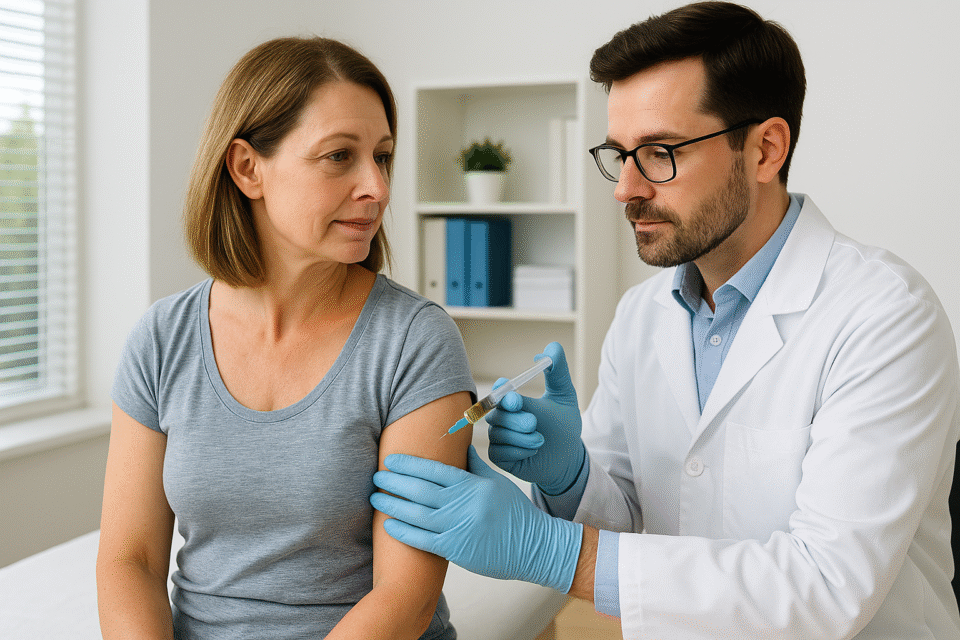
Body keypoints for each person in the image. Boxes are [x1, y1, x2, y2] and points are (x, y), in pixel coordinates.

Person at [370, 2, 960, 638]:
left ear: (766, 149)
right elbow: (638, 526)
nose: (625, 188)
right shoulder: (643, 316)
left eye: (658, 152)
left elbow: (825, 589)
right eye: (619, 153)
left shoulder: (885, 315)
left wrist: (552, 551)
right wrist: (571, 481)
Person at [96, 36, 475, 640]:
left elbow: (405, 596)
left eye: (382, 156)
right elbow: (129, 560)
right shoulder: (162, 339)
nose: (376, 187)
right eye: (338, 157)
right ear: (248, 168)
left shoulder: (413, 340)